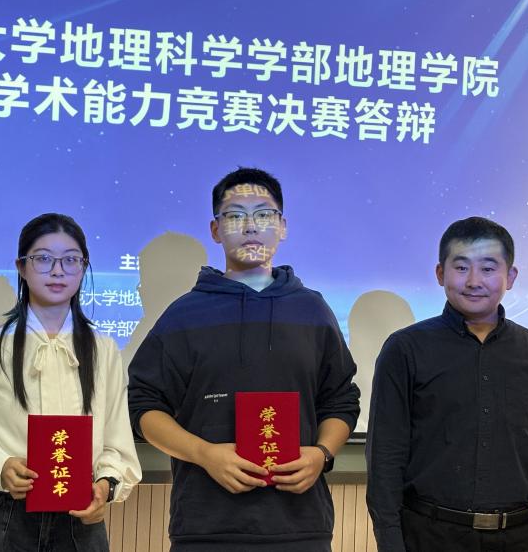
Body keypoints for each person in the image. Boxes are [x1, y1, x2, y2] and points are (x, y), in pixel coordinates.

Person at [127, 167, 360, 551]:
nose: (251, 226)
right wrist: (204, 454)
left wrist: (321, 454)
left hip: (301, 526)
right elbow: (144, 406)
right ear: (216, 230)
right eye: (235, 216)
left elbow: (341, 399)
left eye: (263, 215)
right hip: (205, 527)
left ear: (282, 227)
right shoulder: (184, 314)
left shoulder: (313, 311)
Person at [366, 216, 528, 552]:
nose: (474, 281)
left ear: (510, 276)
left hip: (518, 537)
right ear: (440, 273)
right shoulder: (405, 349)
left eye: (488, 268)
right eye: (461, 267)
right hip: (429, 535)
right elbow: (385, 459)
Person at [0, 213, 141, 552]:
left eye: (70, 260)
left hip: (79, 515)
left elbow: (117, 443)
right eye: (44, 259)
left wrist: (106, 486)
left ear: (84, 267)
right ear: (22, 267)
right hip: (5, 512)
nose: (57, 271)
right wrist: (1, 467)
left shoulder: (103, 349)